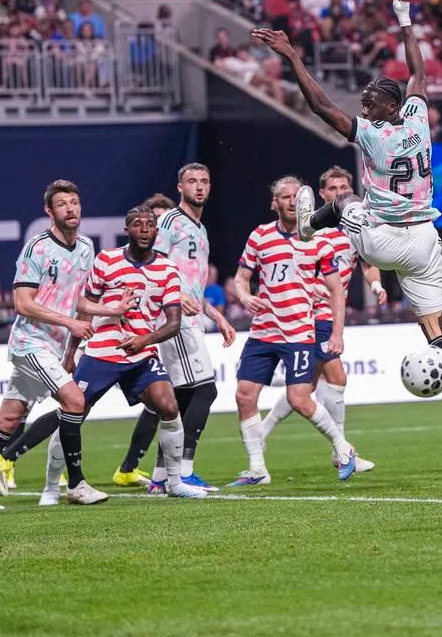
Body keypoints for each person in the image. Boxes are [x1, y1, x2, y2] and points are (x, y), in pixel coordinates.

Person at [252, 0, 442, 476]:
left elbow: (319, 106)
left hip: (385, 237)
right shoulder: (417, 117)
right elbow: (417, 71)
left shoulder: (374, 134)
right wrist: (403, 17)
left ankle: (309, 226)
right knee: (438, 334)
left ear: (386, 109)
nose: (364, 106)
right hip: (426, 242)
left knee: (345, 197)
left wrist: (293, 56)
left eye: (371, 102)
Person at [0, 205, 208, 504]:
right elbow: (83, 307)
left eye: (150, 225)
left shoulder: (167, 269)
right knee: (72, 413)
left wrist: (144, 340)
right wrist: (71, 352)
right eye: (137, 224)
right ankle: (51, 488)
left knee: (168, 405)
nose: (144, 229)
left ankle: (174, 482)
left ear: (157, 232)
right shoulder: (106, 260)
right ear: (126, 229)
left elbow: (173, 322)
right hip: (101, 353)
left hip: (140, 354)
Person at [0, 180, 122, 511]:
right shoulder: (37, 248)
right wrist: (70, 322)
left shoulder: (86, 247)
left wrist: (104, 316)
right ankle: (76, 484)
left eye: (75, 202)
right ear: (49, 211)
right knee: (75, 401)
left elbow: (79, 304)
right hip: (31, 342)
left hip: (55, 347)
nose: (70, 209)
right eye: (62, 204)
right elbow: (23, 303)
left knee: (9, 419)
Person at [112, 164, 237, 494]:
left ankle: (159, 477)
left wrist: (218, 316)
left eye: (205, 181)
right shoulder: (169, 222)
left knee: (179, 399)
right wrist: (177, 295)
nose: (199, 187)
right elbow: (151, 263)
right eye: (192, 181)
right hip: (172, 320)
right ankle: (183, 471)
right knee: (205, 390)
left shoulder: (199, 227)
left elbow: (194, 286)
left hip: (191, 318)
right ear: (180, 187)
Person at [227, 176, 357, 486]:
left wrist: (337, 332)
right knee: (244, 396)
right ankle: (257, 469)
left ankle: (343, 447)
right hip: (263, 331)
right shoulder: (260, 236)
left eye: (297, 196)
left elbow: (336, 291)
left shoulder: (318, 241)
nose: (291, 201)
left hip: (299, 330)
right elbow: (241, 278)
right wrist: (244, 296)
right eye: (285, 197)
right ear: (275, 203)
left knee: (299, 398)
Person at [260, 166, 387, 471]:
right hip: (311, 312)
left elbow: (367, 263)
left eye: (344, 188)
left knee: (306, 387)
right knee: (337, 377)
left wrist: (376, 284)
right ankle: (342, 451)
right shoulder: (311, 227)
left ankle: (260, 433)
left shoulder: (355, 227)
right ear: (321, 194)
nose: (339, 193)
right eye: (333, 189)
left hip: (331, 312)